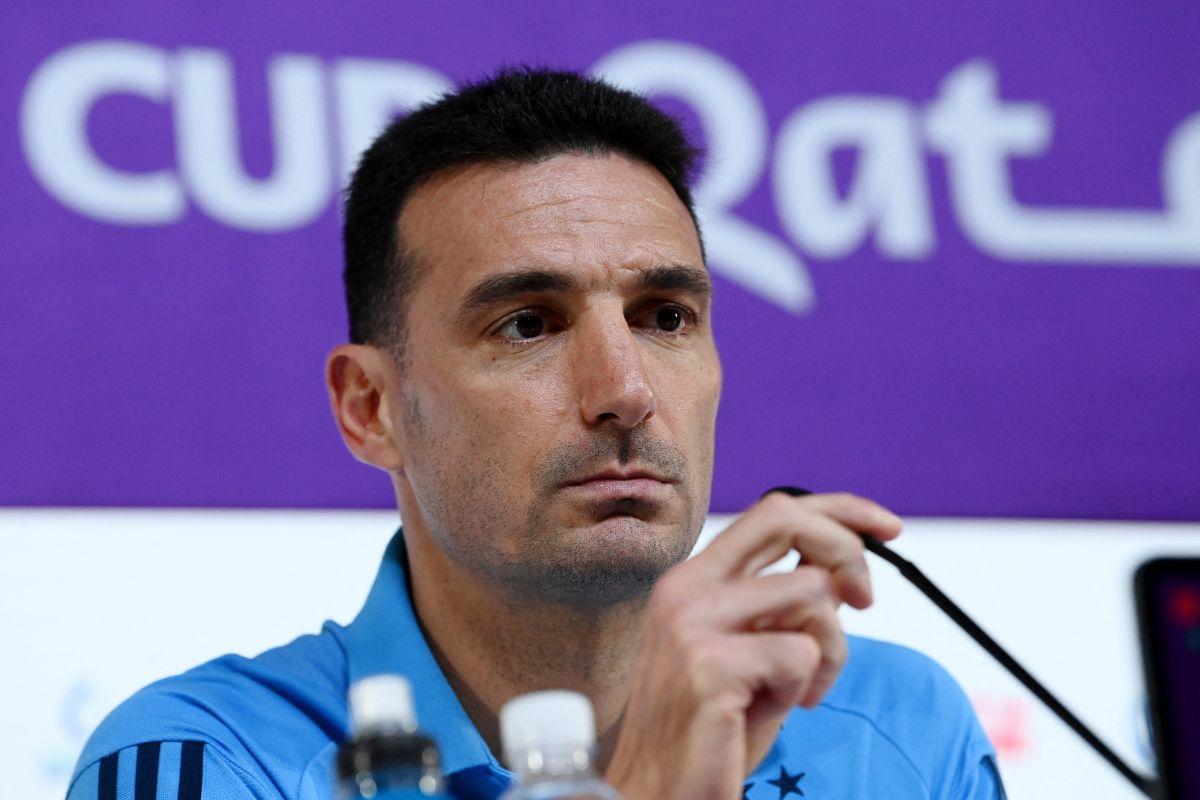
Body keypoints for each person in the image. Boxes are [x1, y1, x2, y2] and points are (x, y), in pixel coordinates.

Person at [67, 68, 1004, 800]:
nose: (625, 391)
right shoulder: (206, 761)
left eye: (665, 316)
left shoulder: (900, 727)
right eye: (528, 323)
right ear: (370, 408)